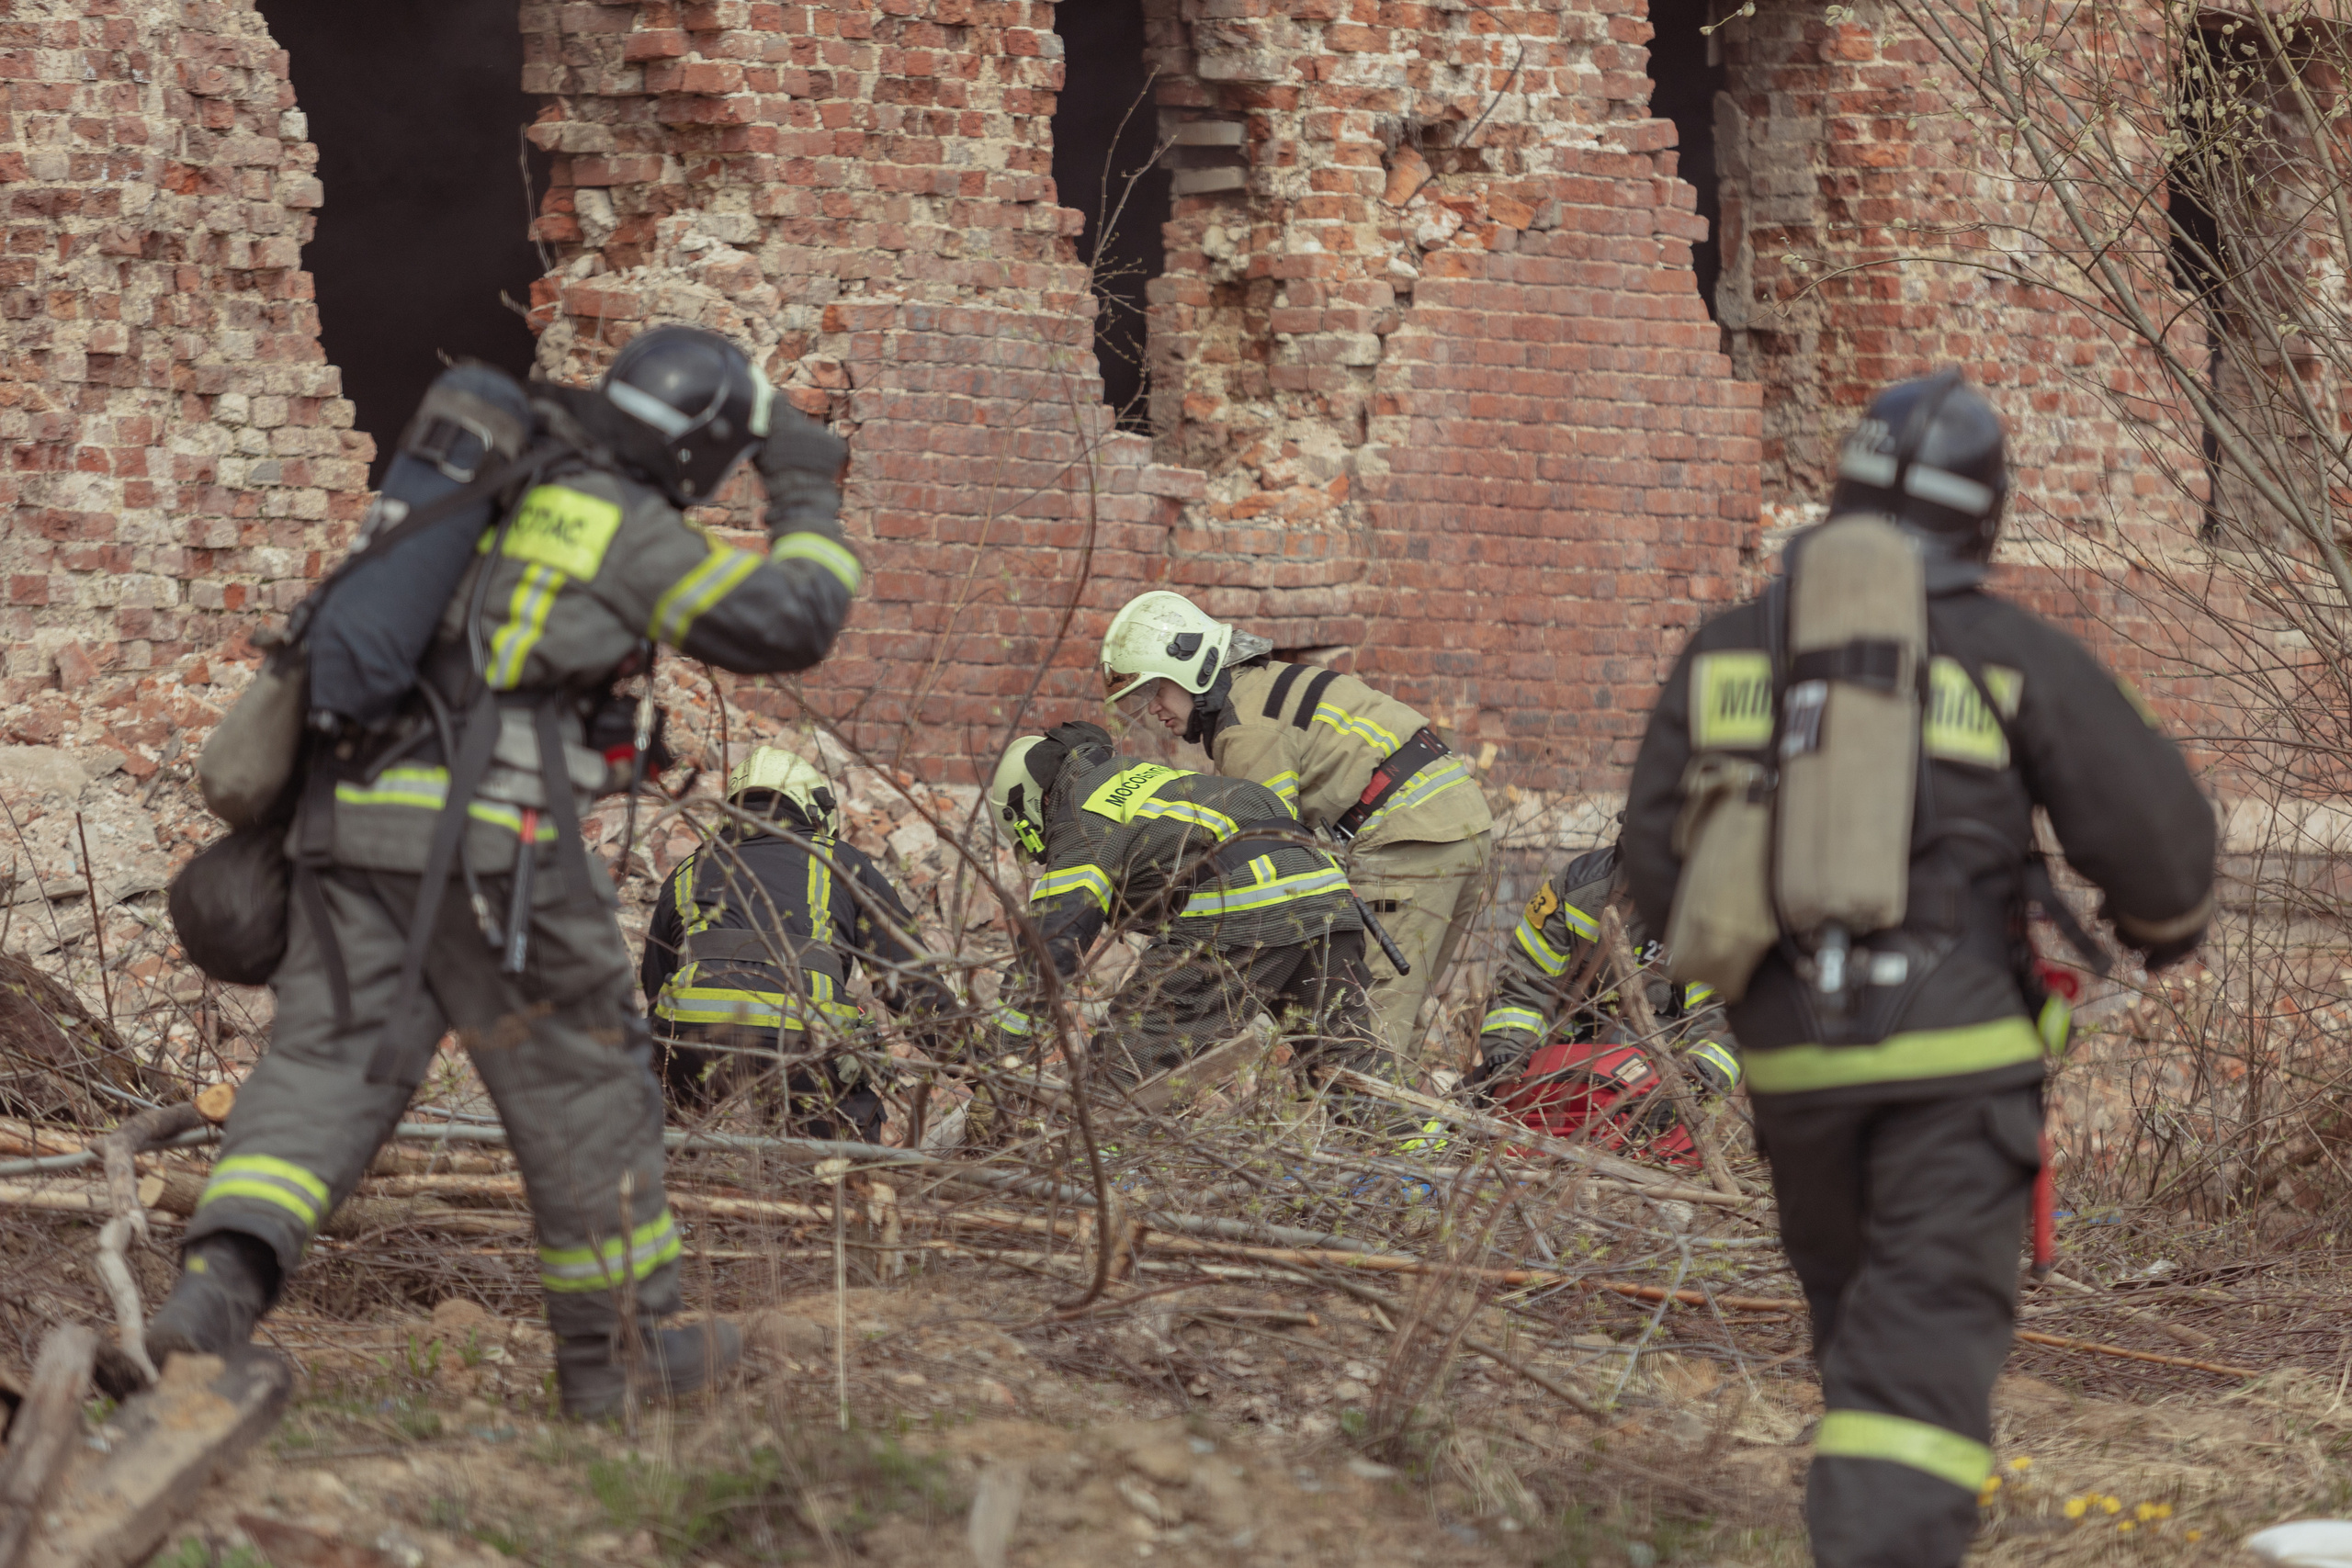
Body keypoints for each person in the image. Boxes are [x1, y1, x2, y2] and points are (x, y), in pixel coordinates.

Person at [141, 325, 864, 1419]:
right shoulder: (613, 521)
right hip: (488, 854)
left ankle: (211, 1295)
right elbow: (791, 621)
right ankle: (616, 1356)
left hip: (345, 831)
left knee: (328, 1067)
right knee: (588, 1083)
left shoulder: (476, 495)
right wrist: (804, 486)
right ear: (698, 453)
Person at [1621, 371, 2214, 1568]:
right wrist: (2166, 928)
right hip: (1956, 1066)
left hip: (1792, 1068)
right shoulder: (2006, 648)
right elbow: (2157, 838)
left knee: (1864, 1332)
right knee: (1924, 1358)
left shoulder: (1728, 647)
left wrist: (1767, 983)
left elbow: (1651, 859)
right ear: (1981, 517)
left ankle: (1871, 1521)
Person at [1098, 592, 1493, 1060]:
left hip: (1408, 843)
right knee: (1395, 1013)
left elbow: (1264, 854)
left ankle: (1378, 1131)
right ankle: (1408, 1125)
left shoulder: (1244, 729)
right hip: (1457, 828)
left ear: (1192, 668)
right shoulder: (1265, 686)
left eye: (1155, 690)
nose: (1154, 710)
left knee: (1363, 1026)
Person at [983, 720, 1385, 1092]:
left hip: (1246, 904)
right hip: (1327, 892)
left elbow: (1054, 938)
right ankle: (1407, 1154)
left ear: (1029, 811)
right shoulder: (1141, 779)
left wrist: (1001, 1052)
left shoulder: (1083, 812)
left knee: (1131, 1055)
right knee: (1344, 1053)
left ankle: (1110, 1165)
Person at [641, 746, 954, 1140]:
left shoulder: (689, 869)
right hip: (805, 1036)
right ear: (814, 809)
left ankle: (662, 1182)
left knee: (657, 1119)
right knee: (840, 1158)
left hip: (691, 1037)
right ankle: (837, 1185)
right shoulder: (843, 862)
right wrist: (980, 1075)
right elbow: (912, 987)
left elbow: (655, 986)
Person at [1466, 840, 1740, 1164]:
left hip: (1660, 1068)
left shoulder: (1725, 910)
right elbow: (1524, 986)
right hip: (1566, 1059)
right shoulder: (1580, 889)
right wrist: (1508, 1056)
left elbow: (1725, 1023)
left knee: (1664, 1153)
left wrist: (1686, 1090)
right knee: (1478, 1121)